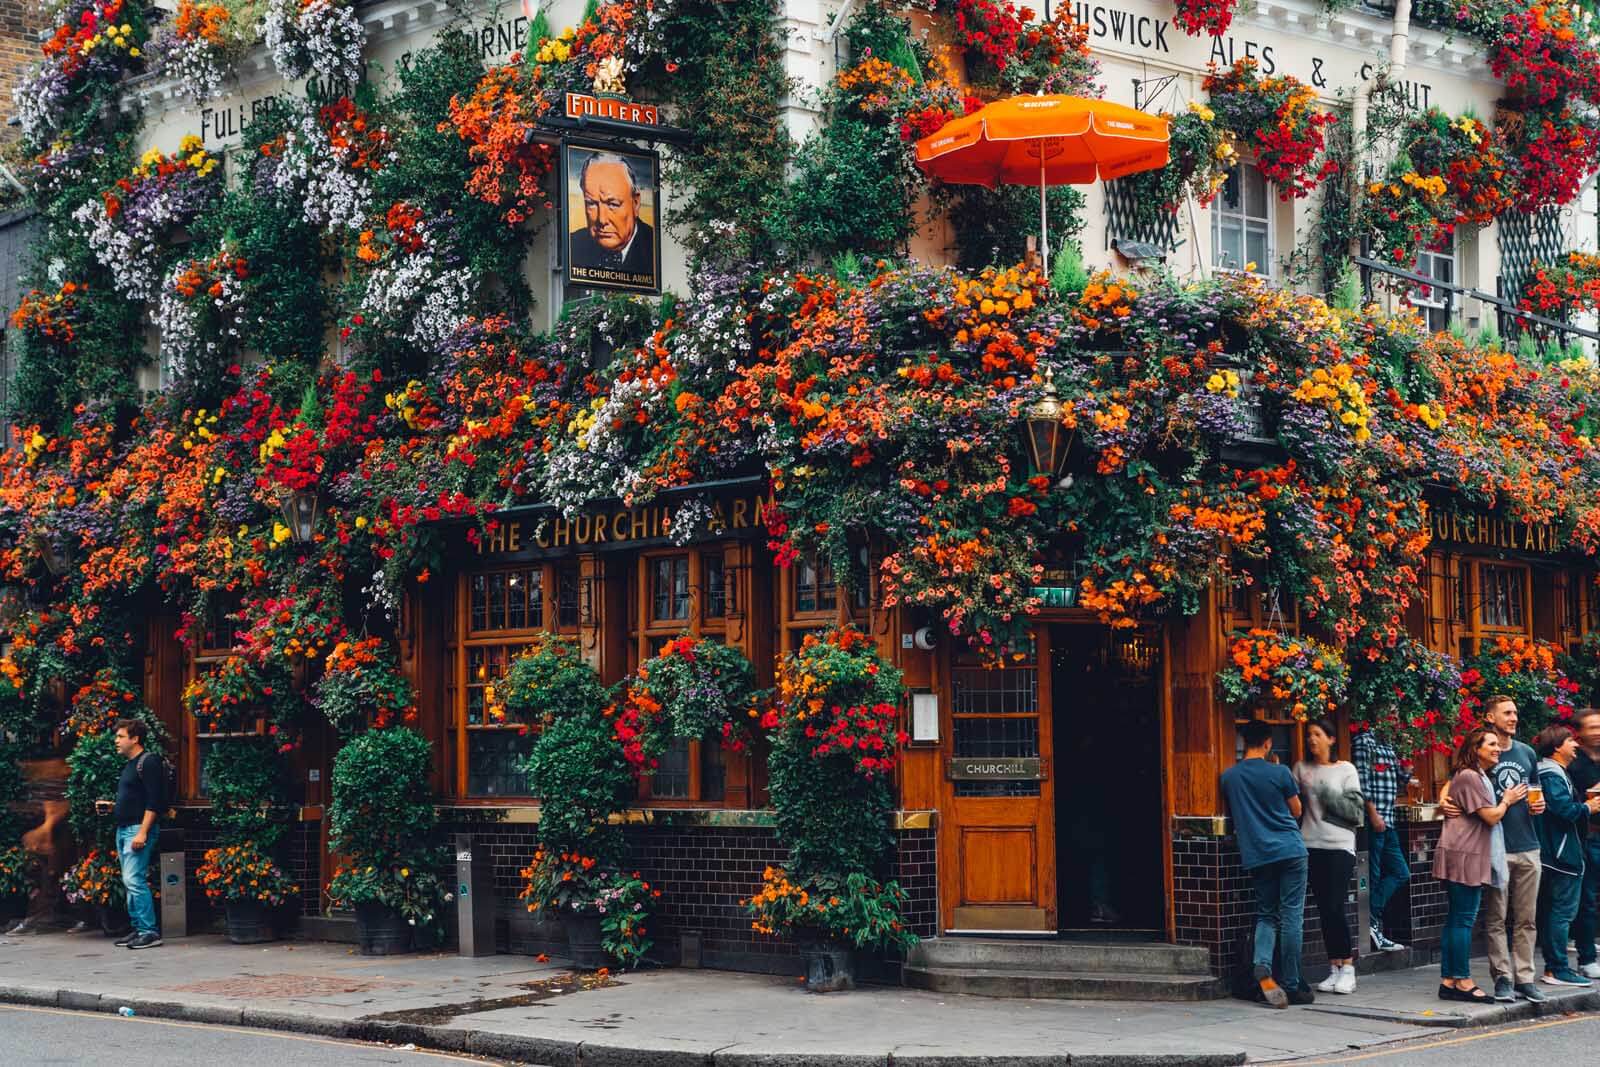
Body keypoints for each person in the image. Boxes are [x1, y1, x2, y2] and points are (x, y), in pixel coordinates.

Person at [1442, 695, 1546, 1002]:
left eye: (1516, 712)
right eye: (1507, 713)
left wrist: (1540, 806)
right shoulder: (1480, 757)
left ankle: (1525, 978)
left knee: (1527, 917)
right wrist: (1442, 802)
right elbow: (1453, 785)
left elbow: (1536, 792)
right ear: (1490, 717)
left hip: (1528, 844)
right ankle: (1502, 978)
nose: (1514, 718)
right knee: (1495, 917)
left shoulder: (1526, 752)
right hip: (1495, 849)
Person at [1221, 719, 1312, 1008]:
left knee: (1266, 914)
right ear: (1268, 742)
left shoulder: (1229, 777)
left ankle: (1262, 965)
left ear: (1243, 743)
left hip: (1257, 854)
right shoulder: (1280, 771)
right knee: (1292, 916)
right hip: (1290, 850)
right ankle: (1293, 983)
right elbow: (1296, 810)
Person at [1435, 727, 1522, 1002]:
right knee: (1463, 919)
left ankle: (1448, 980)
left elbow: (1451, 787)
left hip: (1461, 853)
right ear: (1476, 749)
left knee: (1455, 919)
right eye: (1492, 744)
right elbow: (1492, 816)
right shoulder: (1472, 777)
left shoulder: (1473, 775)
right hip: (1465, 855)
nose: (1498, 748)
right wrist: (1507, 800)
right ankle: (1462, 980)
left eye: (1498, 744)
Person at [1295, 718, 1364, 994]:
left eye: (1318, 734)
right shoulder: (1300, 768)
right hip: (1310, 845)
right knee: (1324, 910)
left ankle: (1348, 967)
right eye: (1309, 735)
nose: (1312, 739)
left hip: (1340, 847)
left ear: (1331, 739)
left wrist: (1321, 790)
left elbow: (1355, 813)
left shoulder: (1346, 769)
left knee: (1335, 907)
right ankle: (1333, 967)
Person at [1532, 723, 1599, 986]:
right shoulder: (1551, 774)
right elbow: (1563, 809)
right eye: (1571, 741)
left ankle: (1555, 966)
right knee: (1562, 912)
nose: (1576, 745)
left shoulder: (1555, 771)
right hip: (1561, 855)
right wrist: (1587, 807)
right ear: (1558, 746)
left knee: (1556, 911)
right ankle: (1557, 968)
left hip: (1558, 852)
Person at [1352, 723, 1412, 953]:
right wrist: (1373, 814)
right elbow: (1362, 783)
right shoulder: (1364, 742)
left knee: (1401, 872)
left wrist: (1406, 758)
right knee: (1374, 875)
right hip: (1374, 820)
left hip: (1390, 821)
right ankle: (1372, 925)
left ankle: (1372, 919)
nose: (1396, 716)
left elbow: (1400, 781)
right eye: (1392, 710)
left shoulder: (1389, 744)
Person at [111, 719, 164, 950]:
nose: (117, 741)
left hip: (136, 829)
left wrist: (143, 832)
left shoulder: (149, 761)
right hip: (124, 829)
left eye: (121, 736)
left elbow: (155, 801)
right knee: (129, 880)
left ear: (135, 739)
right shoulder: (130, 764)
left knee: (134, 879)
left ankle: (148, 931)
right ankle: (138, 928)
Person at [568, 152, 655, 280]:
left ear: (635, 203)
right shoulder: (573, 245)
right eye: (591, 203)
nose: (602, 220)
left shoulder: (652, 247)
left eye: (612, 204)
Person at [1567, 707, 1600, 980]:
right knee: (1587, 899)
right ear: (1579, 734)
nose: (1598, 731)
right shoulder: (1574, 764)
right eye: (1592, 727)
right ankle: (1586, 957)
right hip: (1588, 836)